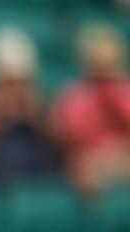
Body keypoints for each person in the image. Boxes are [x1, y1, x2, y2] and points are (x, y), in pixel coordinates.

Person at [0, 26, 57, 195]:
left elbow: (54, 141)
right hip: (1, 170)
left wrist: (32, 113)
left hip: (38, 165)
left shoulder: (37, 97)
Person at [52, 23, 130, 199]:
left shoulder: (125, 90)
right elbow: (69, 136)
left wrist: (115, 101)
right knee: (83, 171)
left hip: (123, 156)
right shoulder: (74, 94)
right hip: (88, 161)